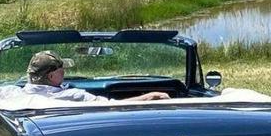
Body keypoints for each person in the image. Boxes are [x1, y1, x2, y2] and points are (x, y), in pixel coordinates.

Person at [23, 51, 171, 102]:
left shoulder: (16, 94)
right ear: (51, 76)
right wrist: (149, 97)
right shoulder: (74, 96)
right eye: (62, 70)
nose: (64, 73)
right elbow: (113, 107)